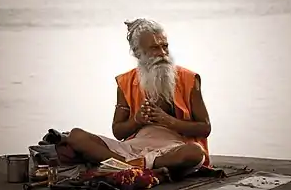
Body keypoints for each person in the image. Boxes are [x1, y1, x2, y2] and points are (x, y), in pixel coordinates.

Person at [65, 18, 212, 178]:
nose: (162, 54)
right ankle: (130, 164)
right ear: (137, 53)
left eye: (165, 46)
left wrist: (167, 120)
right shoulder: (125, 81)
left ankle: (125, 165)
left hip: (173, 148)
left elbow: (204, 128)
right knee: (76, 136)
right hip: (133, 148)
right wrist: (137, 120)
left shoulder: (189, 78)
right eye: (155, 48)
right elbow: (118, 132)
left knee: (195, 153)